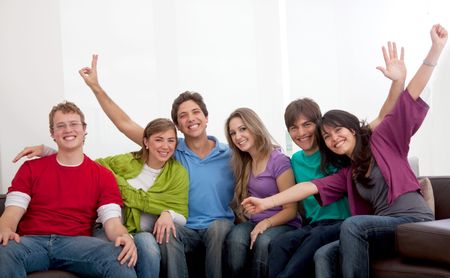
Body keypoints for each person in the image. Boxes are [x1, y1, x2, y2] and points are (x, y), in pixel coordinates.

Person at [242, 24, 447, 278]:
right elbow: (310, 187)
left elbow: (409, 98)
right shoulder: (349, 172)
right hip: (381, 228)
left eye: (338, 131)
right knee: (326, 253)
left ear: (352, 129)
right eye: (327, 136)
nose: (334, 138)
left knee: (352, 225)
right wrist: (266, 202)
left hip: (412, 219)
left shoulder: (384, 141)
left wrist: (434, 51)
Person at [78, 55, 235, 278]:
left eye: (196, 112)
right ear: (178, 125)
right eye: (183, 116)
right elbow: (125, 124)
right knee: (166, 232)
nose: (191, 118)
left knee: (218, 228)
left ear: (206, 117)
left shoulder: (229, 154)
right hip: (184, 228)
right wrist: (96, 87)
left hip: (218, 228)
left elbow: (258, 155)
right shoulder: (170, 149)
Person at [267, 40, 406, 278]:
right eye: (294, 128)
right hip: (314, 225)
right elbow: (297, 191)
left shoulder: (339, 149)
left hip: (344, 221)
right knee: (280, 243)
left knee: (318, 240)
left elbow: (383, 117)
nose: (301, 133)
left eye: (307, 125)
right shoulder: (294, 161)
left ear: (319, 124)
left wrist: (397, 82)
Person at [0, 101, 137, 277]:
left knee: (120, 257)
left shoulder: (103, 176)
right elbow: (12, 212)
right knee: (5, 251)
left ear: (84, 129)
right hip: (32, 243)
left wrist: (124, 236)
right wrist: (5, 228)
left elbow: (112, 222)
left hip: (77, 245)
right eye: (61, 126)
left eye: (74, 124)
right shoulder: (30, 169)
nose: (68, 130)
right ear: (53, 133)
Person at [224, 108, 301, 277]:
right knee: (235, 238)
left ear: (255, 127)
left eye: (243, 129)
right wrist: (246, 210)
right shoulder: (244, 162)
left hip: (283, 223)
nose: (238, 136)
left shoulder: (278, 161)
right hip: (255, 221)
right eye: (233, 133)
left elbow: (291, 210)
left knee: (264, 241)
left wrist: (265, 223)